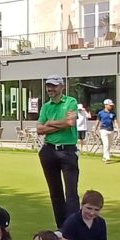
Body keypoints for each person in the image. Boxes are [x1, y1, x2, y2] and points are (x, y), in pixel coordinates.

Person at [36, 76, 80, 229]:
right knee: (55, 192)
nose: (50, 89)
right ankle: (62, 227)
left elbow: (70, 122)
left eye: (54, 86)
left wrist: (50, 123)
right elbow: (39, 129)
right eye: (48, 86)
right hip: (49, 150)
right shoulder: (46, 106)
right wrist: (60, 125)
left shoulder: (70, 102)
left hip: (67, 151)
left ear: (62, 86)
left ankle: (73, 227)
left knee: (71, 193)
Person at [94, 98, 118, 163]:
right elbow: (98, 121)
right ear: (105, 105)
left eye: (112, 105)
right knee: (106, 144)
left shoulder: (113, 113)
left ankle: (105, 156)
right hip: (103, 130)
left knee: (109, 144)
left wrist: (118, 129)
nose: (111, 106)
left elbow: (115, 121)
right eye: (110, 105)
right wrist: (95, 129)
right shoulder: (100, 113)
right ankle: (107, 157)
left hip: (111, 130)